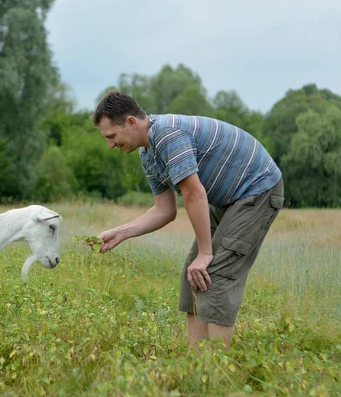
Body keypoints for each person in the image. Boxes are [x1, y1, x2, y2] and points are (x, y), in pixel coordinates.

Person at [92, 91, 284, 349]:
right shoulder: (147, 153)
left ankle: (215, 370)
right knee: (192, 274)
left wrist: (205, 253)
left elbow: (194, 193)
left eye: (112, 137)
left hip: (257, 189)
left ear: (130, 122)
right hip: (227, 199)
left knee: (213, 272)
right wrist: (121, 233)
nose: (111, 145)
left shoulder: (168, 135)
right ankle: (195, 364)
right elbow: (165, 210)